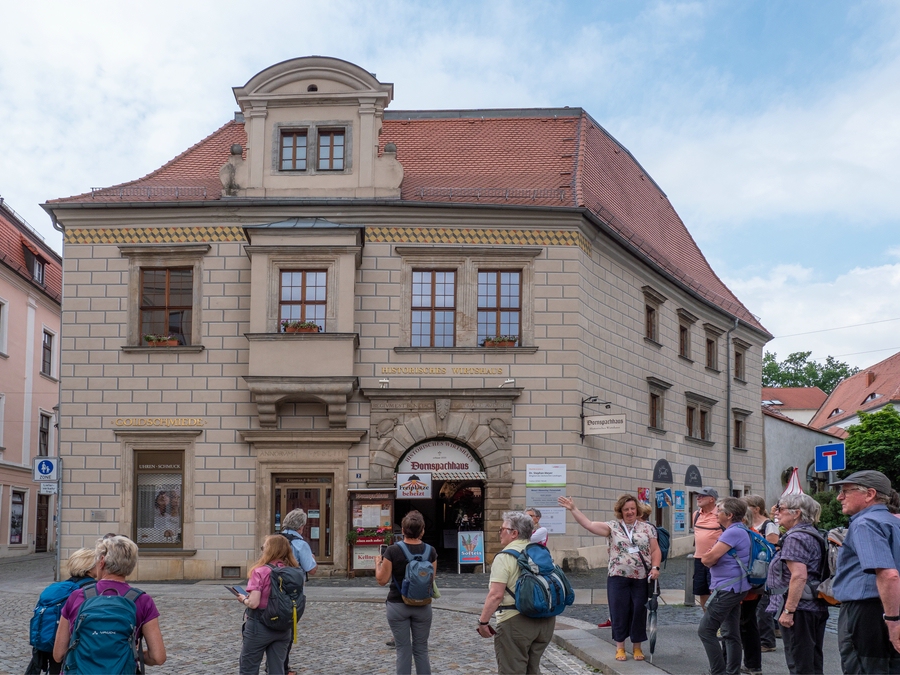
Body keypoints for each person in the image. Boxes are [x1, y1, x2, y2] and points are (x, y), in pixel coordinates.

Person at [558, 494, 660, 662]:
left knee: (639, 612)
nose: (629, 512)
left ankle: (637, 646)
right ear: (620, 511)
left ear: (637, 510)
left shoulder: (647, 528)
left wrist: (655, 567)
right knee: (619, 611)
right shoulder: (613, 527)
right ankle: (620, 647)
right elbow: (589, 525)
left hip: (641, 577)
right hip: (617, 577)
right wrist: (573, 509)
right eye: (626, 509)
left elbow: (655, 550)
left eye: (632, 509)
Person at [52, 535, 166, 671]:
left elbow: (59, 655)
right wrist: (133, 655)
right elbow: (158, 657)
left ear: (101, 561)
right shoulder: (142, 600)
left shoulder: (78, 596)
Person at [831, 470, 900, 674]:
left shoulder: (865, 523)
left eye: (846, 491)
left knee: (864, 668)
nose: (839, 497)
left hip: (868, 612)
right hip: (889, 607)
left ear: (869, 494)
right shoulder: (894, 522)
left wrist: (893, 622)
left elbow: (889, 574)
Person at [477, 511, 556, 674]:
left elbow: (496, 595)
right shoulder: (541, 552)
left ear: (514, 533)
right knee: (533, 670)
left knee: (512, 670)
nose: (499, 533)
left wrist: (483, 622)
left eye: (502, 529)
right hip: (546, 621)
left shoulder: (505, 557)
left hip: (515, 621)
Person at [764, 493, 828, 675]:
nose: (777, 512)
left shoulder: (795, 538)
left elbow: (799, 576)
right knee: (812, 662)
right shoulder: (812, 533)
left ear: (796, 513)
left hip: (799, 609)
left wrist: (788, 611)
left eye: (781, 508)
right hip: (812, 606)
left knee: (800, 664)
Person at [375, 510, 437, 675]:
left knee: (403, 649)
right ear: (422, 530)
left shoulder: (393, 551)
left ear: (402, 530)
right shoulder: (430, 551)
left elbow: (382, 580)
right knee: (422, 649)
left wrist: (378, 564)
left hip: (397, 605)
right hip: (423, 605)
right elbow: (431, 579)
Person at [698, 497, 752, 675]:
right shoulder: (740, 529)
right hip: (736, 587)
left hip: (727, 589)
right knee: (730, 632)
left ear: (729, 515)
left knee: (706, 631)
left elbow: (708, 558)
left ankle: (719, 672)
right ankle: (732, 671)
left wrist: (708, 557)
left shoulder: (732, 532)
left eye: (719, 510)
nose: (716, 513)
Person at [27, 548, 98, 675]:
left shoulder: (57, 588)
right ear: (90, 567)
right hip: (76, 651)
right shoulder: (90, 591)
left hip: (52, 647)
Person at [236, 534, 300, 675]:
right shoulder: (292, 571)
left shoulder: (260, 571)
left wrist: (243, 599)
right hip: (283, 627)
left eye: (263, 547)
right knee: (277, 670)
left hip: (259, 626)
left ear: (269, 550)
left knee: (249, 668)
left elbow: (253, 603)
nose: (262, 550)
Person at [280, 508, 318, 675]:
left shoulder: (275, 540)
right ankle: (283, 667)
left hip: (274, 589)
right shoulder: (300, 544)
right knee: (287, 629)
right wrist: (314, 560)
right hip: (292, 592)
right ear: (301, 526)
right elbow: (312, 570)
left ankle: (274, 665)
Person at [743, 494, 779, 656]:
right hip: (753, 569)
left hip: (765, 569)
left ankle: (767, 641)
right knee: (756, 608)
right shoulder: (750, 524)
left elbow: (771, 547)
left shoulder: (768, 525)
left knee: (763, 607)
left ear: (756, 509)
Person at [693, 486, 723, 611]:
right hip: (699, 559)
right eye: (697, 495)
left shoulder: (721, 514)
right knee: (702, 591)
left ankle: (718, 622)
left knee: (715, 591)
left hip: (715, 560)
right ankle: (707, 619)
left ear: (712, 499)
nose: (698, 498)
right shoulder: (695, 515)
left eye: (702, 496)